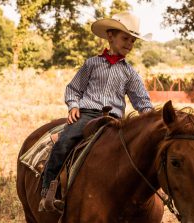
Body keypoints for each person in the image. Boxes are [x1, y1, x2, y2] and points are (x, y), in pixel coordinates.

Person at [39, 11, 154, 212]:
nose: (129, 44)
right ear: (110, 36)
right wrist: (73, 105)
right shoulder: (91, 64)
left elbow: (142, 101)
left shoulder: (130, 73)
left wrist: (152, 119)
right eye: (125, 38)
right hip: (88, 115)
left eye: (133, 41)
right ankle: (47, 191)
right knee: (64, 142)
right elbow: (74, 88)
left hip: (114, 121)